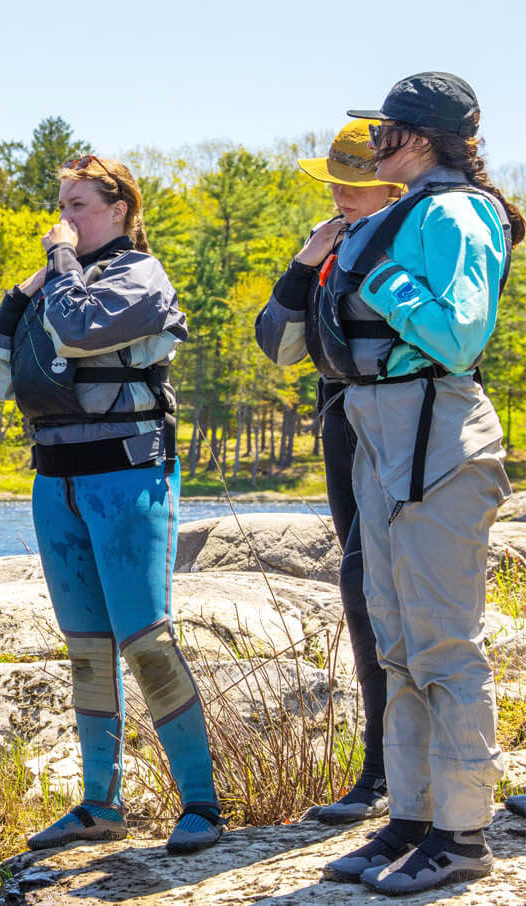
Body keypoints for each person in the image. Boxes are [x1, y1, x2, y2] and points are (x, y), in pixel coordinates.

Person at [300, 73, 520, 894]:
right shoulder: (409, 208)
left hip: (437, 435)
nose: (371, 141)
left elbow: (460, 335)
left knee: (445, 650)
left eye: (384, 130)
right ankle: (413, 819)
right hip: (381, 427)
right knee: (396, 646)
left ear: (417, 138)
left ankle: (463, 837)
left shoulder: (457, 212)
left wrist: (382, 279)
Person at [0, 155, 225, 854]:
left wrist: (58, 260)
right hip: (54, 479)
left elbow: (81, 332)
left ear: (118, 212)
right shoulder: (53, 283)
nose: (65, 218)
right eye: (61, 205)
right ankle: (99, 804)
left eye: (80, 204)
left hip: (127, 476)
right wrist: (24, 291)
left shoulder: (138, 275)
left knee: (145, 638)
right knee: (87, 649)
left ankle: (201, 804)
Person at [255, 119, 402, 824]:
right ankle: (377, 770)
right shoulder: (329, 245)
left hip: (404, 428)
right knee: (360, 591)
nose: (340, 193)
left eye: (356, 181)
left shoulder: (417, 240)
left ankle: (409, 770)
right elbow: (277, 346)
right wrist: (305, 259)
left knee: (405, 599)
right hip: (343, 425)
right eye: (335, 180)